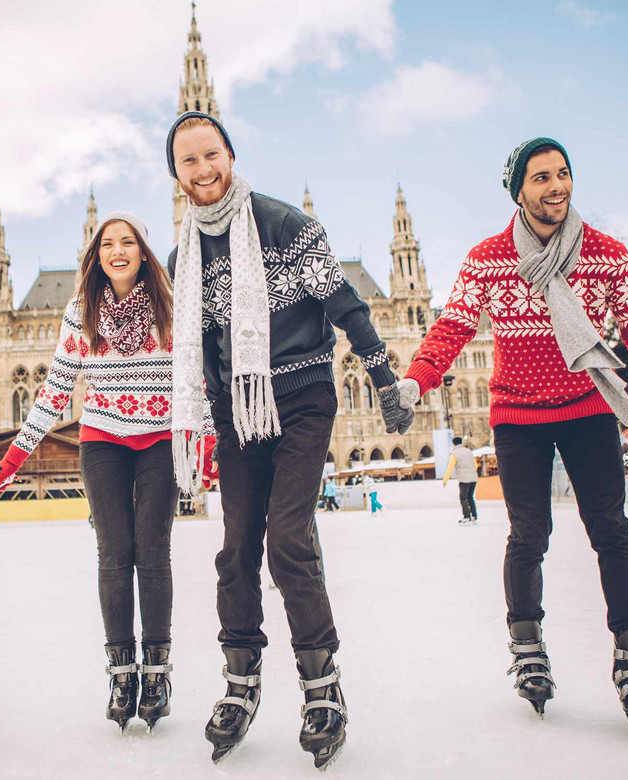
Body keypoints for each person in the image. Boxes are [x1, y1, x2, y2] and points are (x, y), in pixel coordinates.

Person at [391, 137, 628, 735]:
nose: (556, 186)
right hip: (518, 417)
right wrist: (416, 381)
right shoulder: (488, 259)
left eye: (562, 173)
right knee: (529, 532)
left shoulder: (605, 254)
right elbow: (452, 328)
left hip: (587, 406)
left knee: (610, 529)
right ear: (519, 191)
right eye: (541, 177)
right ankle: (528, 644)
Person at [165, 111, 408, 768]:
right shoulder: (180, 259)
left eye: (210, 154)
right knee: (236, 546)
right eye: (188, 160)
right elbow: (202, 354)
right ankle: (241, 681)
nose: (203, 169)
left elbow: (344, 304)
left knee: (289, 537)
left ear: (231, 155)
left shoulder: (283, 225)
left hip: (301, 398)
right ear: (176, 173)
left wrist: (385, 379)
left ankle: (321, 685)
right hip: (239, 414)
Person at [0, 212, 178, 733]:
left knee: (153, 552)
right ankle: (122, 673)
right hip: (101, 442)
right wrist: (17, 454)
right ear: (95, 256)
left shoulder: (170, 306)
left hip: (160, 439)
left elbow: (196, 377)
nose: (117, 251)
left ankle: (158, 672)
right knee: (115, 555)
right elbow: (55, 389)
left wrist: (203, 438)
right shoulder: (81, 310)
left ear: (143, 250)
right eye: (107, 244)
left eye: (127, 242)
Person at [443, 437, 479, 525]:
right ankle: (474, 516)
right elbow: (475, 465)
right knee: (470, 497)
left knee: (463, 498)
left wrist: (445, 480)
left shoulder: (454, 453)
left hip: (464, 478)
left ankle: (467, 517)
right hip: (473, 477)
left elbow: (450, 467)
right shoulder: (469, 451)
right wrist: (471, 472)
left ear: (453, 444)